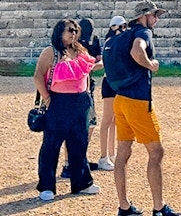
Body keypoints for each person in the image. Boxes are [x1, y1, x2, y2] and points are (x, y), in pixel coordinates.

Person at [112, 1, 181, 216]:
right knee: (156, 151)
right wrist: (150, 64)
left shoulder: (123, 33)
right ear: (146, 16)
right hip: (137, 100)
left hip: (121, 98)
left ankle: (124, 207)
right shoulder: (143, 32)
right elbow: (137, 51)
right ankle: (159, 207)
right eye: (155, 15)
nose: (157, 19)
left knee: (123, 151)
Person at [33, 18, 101, 202]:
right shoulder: (51, 52)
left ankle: (82, 183)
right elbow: (38, 75)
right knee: (51, 145)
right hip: (59, 102)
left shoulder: (80, 50)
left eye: (75, 30)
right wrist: (46, 97)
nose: (72, 33)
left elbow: (87, 70)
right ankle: (47, 186)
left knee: (79, 144)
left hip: (80, 101)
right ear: (59, 32)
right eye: (68, 30)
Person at [62, 17, 103, 179]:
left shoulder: (85, 42)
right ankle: (71, 162)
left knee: (86, 126)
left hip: (83, 86)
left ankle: (76, 160)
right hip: (79, 88)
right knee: (81, 126)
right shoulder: (76, 45)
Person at [96, 15, 126, 171]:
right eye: (121, 26)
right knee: (107, 120)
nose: (123, 29)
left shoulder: (120, 42)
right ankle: (103, 156)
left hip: (118, 83)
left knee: (115, 120)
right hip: (110, 82)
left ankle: (111, 153)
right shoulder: (110, 43)